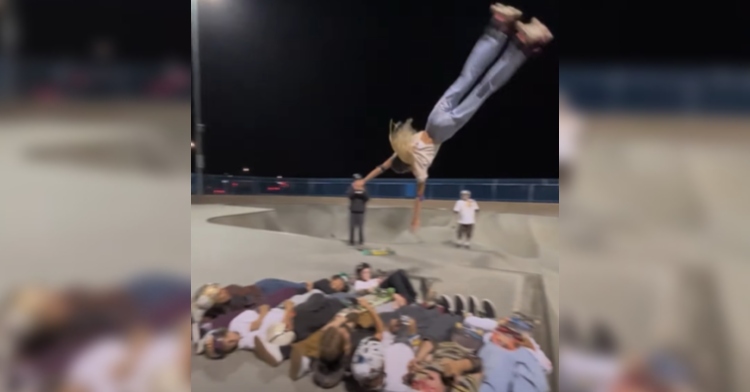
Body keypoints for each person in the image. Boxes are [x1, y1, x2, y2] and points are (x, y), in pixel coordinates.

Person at [352, 3, 553, 232]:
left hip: (443, 130)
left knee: (483, 90)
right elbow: (381, 166)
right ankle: (498, 27)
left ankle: (520, 46)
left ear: (406, 168)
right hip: (432, 119)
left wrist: (415, 219)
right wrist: (363, 181)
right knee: (467, 76)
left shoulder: (417, 168)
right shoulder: (402, 148)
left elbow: (419, 197)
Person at [354, 263, 422, 305]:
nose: (367, 274)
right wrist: (369, 289)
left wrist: (381, 280)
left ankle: (413, 296)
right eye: (364, 272)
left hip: (383, 288)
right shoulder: (359, 283)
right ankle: (408, 300)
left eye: (368, 272)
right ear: (359, 274)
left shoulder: (372, 279)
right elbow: (360, 292)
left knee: (400, 272)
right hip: (378, 292)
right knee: (394, 276)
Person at [348, 173, 370, 246]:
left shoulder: (364, 187)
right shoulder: (351, 187)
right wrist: (355, 191)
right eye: (355, 180)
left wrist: (362, 192)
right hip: (353, 209)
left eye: (358, 180)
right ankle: (351, 241)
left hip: (361, 210)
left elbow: (367, 198)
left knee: (360, 227)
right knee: (352, 226)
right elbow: (350, 196)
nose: (357, 181)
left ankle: (361, 241)